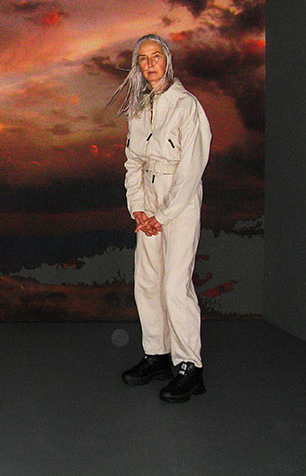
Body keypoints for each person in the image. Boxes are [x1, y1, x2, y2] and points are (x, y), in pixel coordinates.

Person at [108, 34, 211, 403]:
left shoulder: (186, 105)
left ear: (167, 59)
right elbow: (133, 162)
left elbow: (191, 168)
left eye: (156, 56)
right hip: (148, 203)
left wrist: (163, 215)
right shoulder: (140, 109)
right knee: (148, 282)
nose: (150, 63)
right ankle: (158, 354)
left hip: (178, 203)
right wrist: (137, 207)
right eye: (143, 58)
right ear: (137, 65)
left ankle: (189, 366)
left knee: (175, 286)